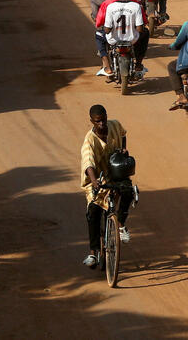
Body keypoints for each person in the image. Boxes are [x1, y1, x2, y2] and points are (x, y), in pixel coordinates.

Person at [80, 105, 131, 268]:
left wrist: (123, 149)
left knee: (128, 190)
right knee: (93, 212)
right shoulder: (90, 140)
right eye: (98, 121)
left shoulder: (115, 125)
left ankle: (121, 225)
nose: (102, 123)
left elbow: (123, 134)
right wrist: (95, 183)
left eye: (103, 119)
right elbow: (89, 164)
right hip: (96, 179)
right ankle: (93, 252)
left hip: (114, 174)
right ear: (92, 122)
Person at [96, 0, 148, 76]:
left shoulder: (110, 7)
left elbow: (107, 30)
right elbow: (140, 29)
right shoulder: (136, 6)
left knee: (98, 35)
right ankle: (139, 64)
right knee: (146, 33)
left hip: (114, 40)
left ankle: (107, 66)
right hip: (132, 40)